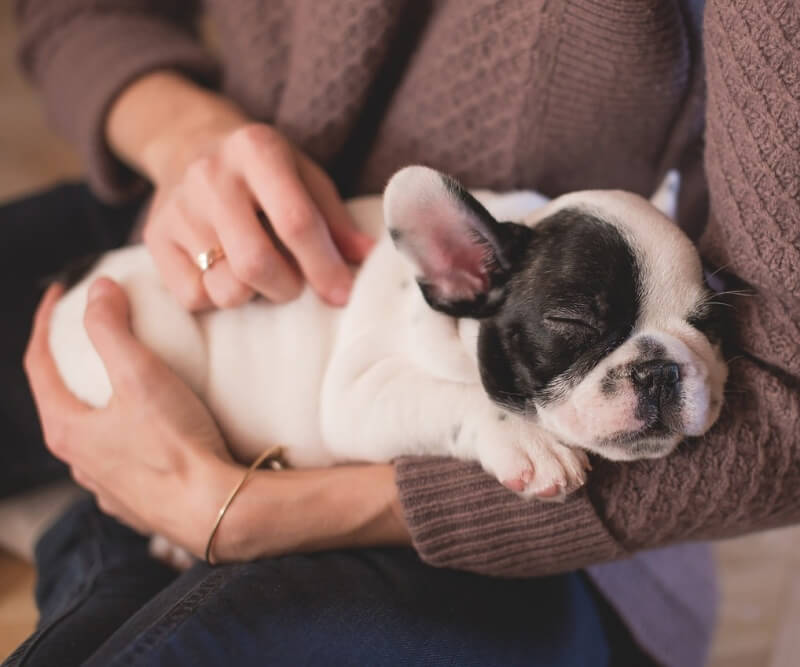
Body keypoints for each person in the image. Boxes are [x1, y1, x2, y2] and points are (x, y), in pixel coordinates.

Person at [4, 0, 799, 665]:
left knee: (187, 636)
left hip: (487, 538)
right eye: (578, 330)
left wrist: (237, 512)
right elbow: (74, 16)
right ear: (457, 270)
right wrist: (184, 136)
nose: (658, 373)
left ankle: (102, 541)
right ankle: (113, 532)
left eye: (699, 326)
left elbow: (783, 399)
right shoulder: (463, 283)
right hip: (185, 272)